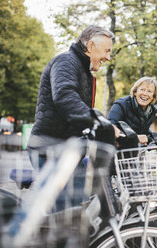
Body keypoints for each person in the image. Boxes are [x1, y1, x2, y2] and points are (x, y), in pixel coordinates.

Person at [26, 25, 115, 211]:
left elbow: (79, 112)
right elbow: (65, 96)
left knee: (78, 208)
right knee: (64, 214)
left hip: (65, 150)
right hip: (49, 150)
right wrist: (98, 120)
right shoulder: (66, 61)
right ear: (91, 46)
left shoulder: (83, 69)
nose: (108, 57)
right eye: (106, 50)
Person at [108, 77, 157, 146]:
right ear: (135, 92)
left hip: (136, 152)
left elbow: (144, 132)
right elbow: (110, 129)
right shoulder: (121, 105)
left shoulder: (150, 112)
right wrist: (135, 138)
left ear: (153, 96)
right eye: (142, 89)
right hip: (117, 150)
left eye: (149, 91)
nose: (145, 94)